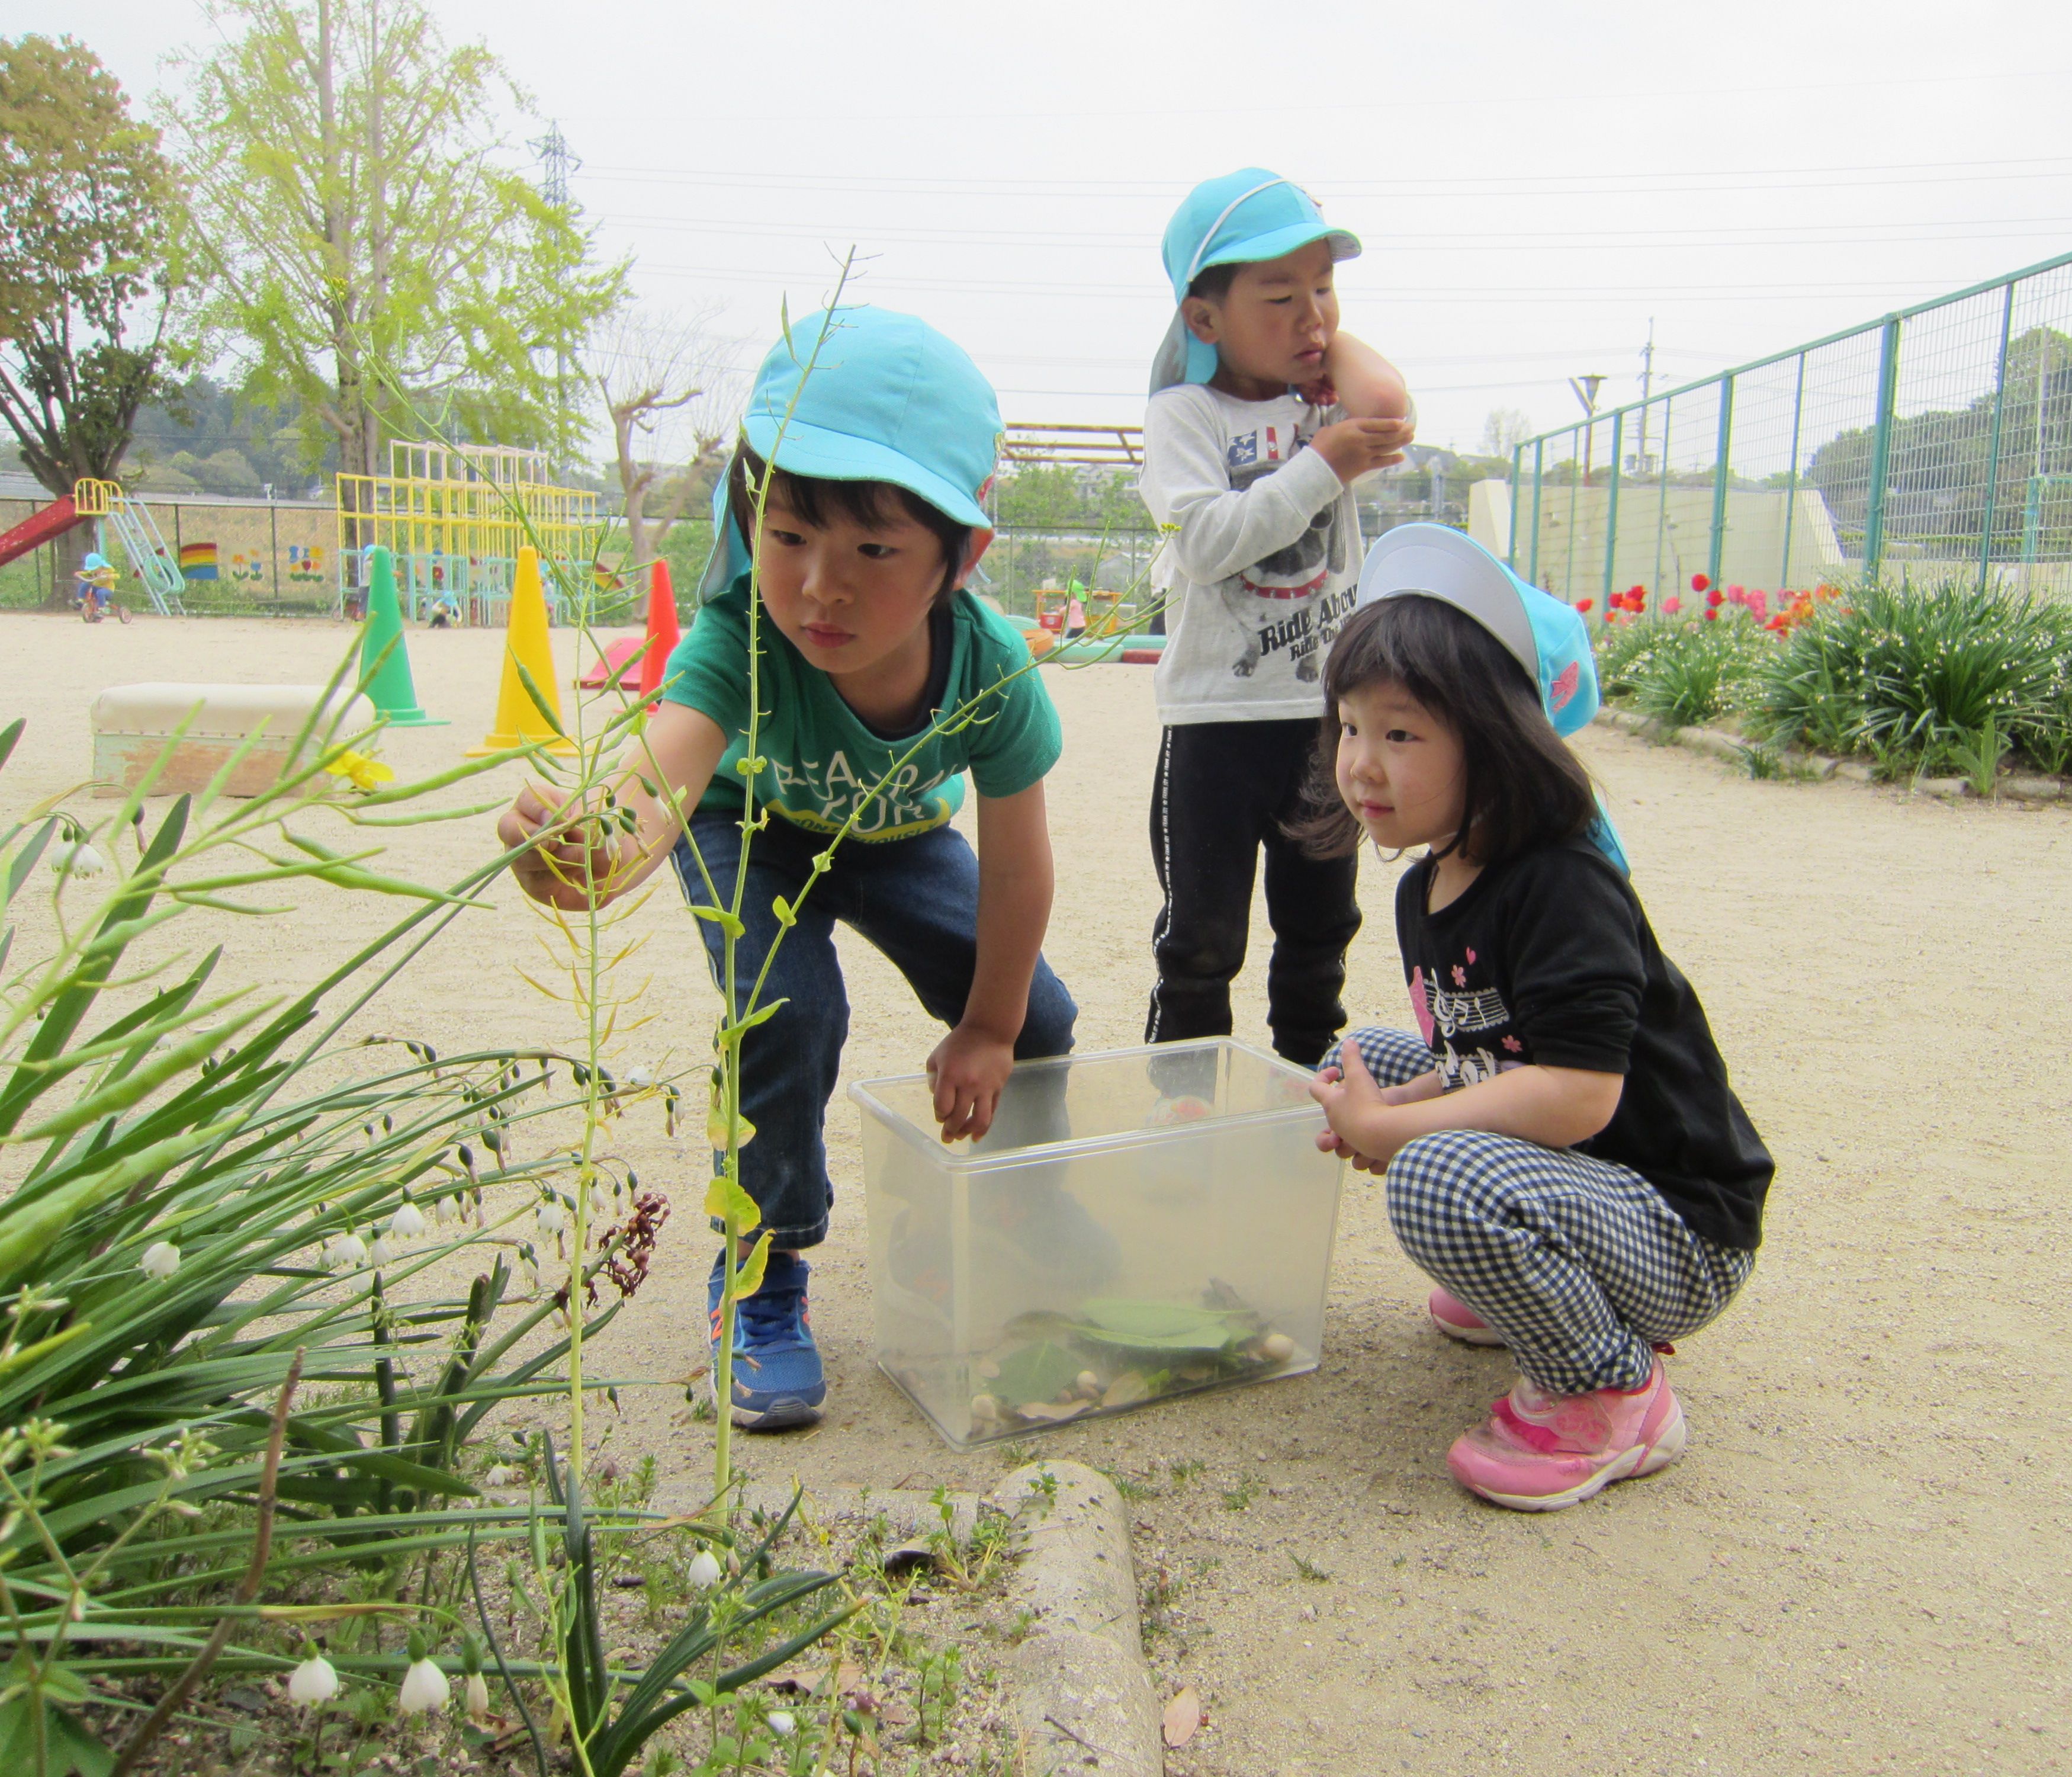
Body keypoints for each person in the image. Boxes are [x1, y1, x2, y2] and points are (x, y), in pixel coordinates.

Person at [496, 307, 1075, 1432]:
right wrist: (581, 854)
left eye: (872, 551)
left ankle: (1009, 1223)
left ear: (964, 557)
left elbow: (1016, 876)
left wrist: (991, 1028)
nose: (820, 587)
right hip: (748, 826)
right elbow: (652, 794)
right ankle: (761, 1279)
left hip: (900, 837)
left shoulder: (994, 673)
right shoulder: (739, 642)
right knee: (788, 1009)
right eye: (790, 535)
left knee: (1043, 1020)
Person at [1297, 524, 1772, 1512]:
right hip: (1592, 1188)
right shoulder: (1432, 884)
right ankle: (1529, 1267)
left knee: (1435, 1174)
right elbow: (1477, 1053)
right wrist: (1385, 1096)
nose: (1361, 764)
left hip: (1676, 1226)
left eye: (1402, 733)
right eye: (1350, 726)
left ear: (1496, 741)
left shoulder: (1563, 884)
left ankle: (1610, 1390)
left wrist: (1392, 1129)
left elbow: (1578, 1094)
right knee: (1369, 1053)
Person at [1137, 168, 1415, 1068]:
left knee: (1319, 934)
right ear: (1204, 318)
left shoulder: (1326, 406)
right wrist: (1321, 463)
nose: (1314, 317)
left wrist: (1323, 343)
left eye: (1325, 290)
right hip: (1215, 725)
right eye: (1280, 296)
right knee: (1200, 944)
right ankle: (1180, 1120)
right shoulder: (1187, 414)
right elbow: (1208, 542)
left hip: (1322, 725)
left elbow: (1391, 412)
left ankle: (1302, 1105)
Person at [75, 552, 124, 624]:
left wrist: (108, 576)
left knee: (100, 593)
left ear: (100, 566)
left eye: (95, 568)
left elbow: (117, 575)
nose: (94, 571)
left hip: (107, 590)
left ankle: (101, 609)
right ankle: (81, 600)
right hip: (96, 587)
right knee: (85, 585)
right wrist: (80, 574)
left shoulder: (108, 570)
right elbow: (88, 574)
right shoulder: (93, 571)